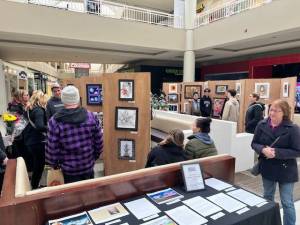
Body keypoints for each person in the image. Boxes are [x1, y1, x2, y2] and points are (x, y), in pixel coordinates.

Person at [251, 99, 300, 225]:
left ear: (284, 113)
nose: (272, 113)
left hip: (286, 170)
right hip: (268, 168)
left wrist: (276, 152)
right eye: (271, 109)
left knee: (287, 202)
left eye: (277, 111)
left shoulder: (293, 128)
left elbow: (297, 151)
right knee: (267, 197)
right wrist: (262, 149)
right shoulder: (262, 124)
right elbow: (254, 143)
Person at [46, 85, 103, 184]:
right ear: (77, 98)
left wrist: (55, 165)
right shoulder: (91, 116)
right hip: (88, 166)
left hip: (68, 172)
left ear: (63, 99)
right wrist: (93, 158)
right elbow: (99, 142)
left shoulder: (54, 121)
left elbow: (52, 149)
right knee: (89, 195)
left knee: (71, 198)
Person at [23, 90, 48, 189]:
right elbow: (40, 126)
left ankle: (34, 184)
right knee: (39, 165)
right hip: (37, 141)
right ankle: (35, 185)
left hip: (29, 140)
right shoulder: (39, 110)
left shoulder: (29, 108)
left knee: (36, 164)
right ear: (40, 98)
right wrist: (50, 127)